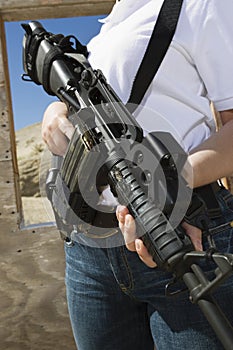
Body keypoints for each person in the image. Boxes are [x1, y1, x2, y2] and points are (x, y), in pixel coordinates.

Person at [41, 0, 233, 349]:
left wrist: (171, 181)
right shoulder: (106, 30)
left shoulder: (201, 4)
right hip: (89, 255)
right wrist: (58, 110)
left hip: (180, 234)